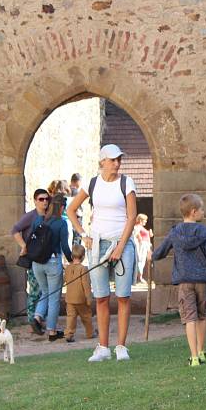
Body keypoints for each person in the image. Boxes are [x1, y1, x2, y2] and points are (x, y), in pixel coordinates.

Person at [67, 144, 138, 362]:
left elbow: (132, 216)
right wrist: (83, 234)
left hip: (121, 243)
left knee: (123, 296)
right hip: (97, 244)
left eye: (119, 159)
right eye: (113, 160)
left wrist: (119, 246)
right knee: (101, 297)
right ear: (102, 162)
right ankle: (103, 347)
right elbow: (71, 210)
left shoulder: (127, 183)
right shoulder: (92, 183)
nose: (117, 163)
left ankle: (121, 347)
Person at [151, 193, 206, 367]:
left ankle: (194, 357)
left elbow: (161, 251)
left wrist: (152, 256)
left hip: (185, 281)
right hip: (203, 281)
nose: (203, 211)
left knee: (190, 318)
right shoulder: (205, 232)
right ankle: (201, 352)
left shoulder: (175, 232)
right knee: (201, 316)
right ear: (193, 212)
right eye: (201, 209)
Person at [28, 193, 72, 341]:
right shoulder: (61, 223)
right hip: (53, 261)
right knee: (53, 297)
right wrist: (73, 260)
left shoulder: (38, 220)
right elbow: (65, 247)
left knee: (44, 292)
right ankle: (52, 331)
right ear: (62, 207)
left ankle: (37, 317)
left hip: (37, 262)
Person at [10, 188, 49, 328]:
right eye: (41, 199)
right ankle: (32, 319)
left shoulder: (49, 216)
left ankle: (42, 317)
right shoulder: (30, 216)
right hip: (33, 258)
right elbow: (15, 230)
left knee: (47, 289)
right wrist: (23, 246)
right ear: (35, 201)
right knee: (35, 289)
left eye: (46, 199)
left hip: (47, 258)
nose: (44, 202)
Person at [63, 243, 94, 342]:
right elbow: (86, 285)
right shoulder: (83, 269)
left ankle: (69, 333)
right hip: (81, 299)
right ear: (83, 257)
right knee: (86, 316)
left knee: (70, 317)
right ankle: (90, 333)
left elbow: (65, 280)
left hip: (70, 298)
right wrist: (89, 298)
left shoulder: (68, 268)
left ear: (72, 256)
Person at [133, 214, 153, 284]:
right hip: (143, 245)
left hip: (146, 245)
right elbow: (136, 233)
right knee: (141, 261)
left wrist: (149, 233)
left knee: (145, 261)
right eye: (145, 220)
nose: (146, 221)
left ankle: (141, 277)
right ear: (141, 220)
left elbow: (149, 236)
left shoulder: (142, 227)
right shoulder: (138, 227)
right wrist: (140, 239)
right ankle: (139, 277)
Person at [69, 173, 84, 245]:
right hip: (76, 219)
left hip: (69, 220)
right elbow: (77, 209)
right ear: (77, 181)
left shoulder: (66, 190)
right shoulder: (74, 191)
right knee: (76, 241)